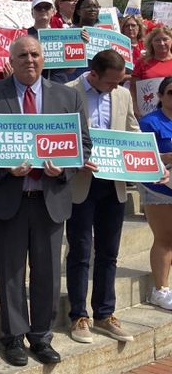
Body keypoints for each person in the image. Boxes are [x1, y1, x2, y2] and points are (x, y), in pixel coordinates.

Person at [0, 36, 91, 367]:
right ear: (11, 59)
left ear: (44, 58)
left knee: (48, 272)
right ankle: (12, 337)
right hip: (8, 197)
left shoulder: (68, 95)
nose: (30, 60)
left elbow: (83, 143)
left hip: (49, 197)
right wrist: (4, 166)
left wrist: (63, 167)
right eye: (22, 54)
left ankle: (41, 336)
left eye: (35, 54)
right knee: (10, 272)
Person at [66, 50, 139, 344]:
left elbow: (133, 131)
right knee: (80, 252)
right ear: (93, 74)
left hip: (114, 183)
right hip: (81, 183)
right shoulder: (67, 92)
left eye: (118, 82)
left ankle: (105, 313)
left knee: (109, 252)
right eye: (110, 82)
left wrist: (149, 163)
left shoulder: (122, 95)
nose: (115, 87)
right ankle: (78, 315)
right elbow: (60, 136)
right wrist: (75, 158)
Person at [138, 76, 172, 311]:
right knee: (165, 238)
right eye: (170, 92)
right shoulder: (150, 122)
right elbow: (141, 155)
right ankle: (160, 290)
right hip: (158, 187)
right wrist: (167, 157)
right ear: (160, 96)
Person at [131, 25, 172, 118]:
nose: (161, 43)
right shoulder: (142, 62)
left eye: (165, 39)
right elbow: (133, 90)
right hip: (148, 114)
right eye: (157, 40)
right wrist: (135, 109)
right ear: (151, 43)